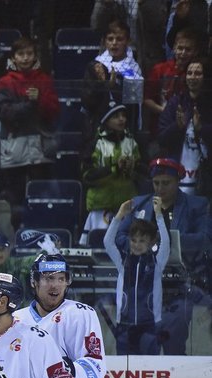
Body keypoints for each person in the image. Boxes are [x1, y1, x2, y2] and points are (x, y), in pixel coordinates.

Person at [116, 157, 212, 354]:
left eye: (166, 183)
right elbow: (120, 236)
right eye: (156, 183)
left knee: (173, 332)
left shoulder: (197, 205)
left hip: (182, 282)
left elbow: (204, 239)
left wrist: (167, 241)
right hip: (142, 282)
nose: (160, 188)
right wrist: (140, 245)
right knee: (134, 338)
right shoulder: (139, 204)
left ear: (178, 181)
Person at [0, 36, 59, 217]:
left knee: (42, 200)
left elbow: (54, 111)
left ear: (35, 56)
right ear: (13, 57)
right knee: (16, 201)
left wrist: (40, 99)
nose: (25, 58)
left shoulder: (44, 79)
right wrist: (30, 104)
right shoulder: (4, 82)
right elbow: (5, 113)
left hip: (40, 150)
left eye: (29, 53)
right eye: (21, 54)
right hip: (14, 150)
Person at [103, 198, 171, 355]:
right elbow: (108, 242)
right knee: (126, 372)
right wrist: (120, 215)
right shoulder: (122, 263)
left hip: (150, 325)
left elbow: (166, 243)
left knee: (150, 369)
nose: (137, 244)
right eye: (133, 240)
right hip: (125, 326)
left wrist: (159, 215)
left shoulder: (157, 263)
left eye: (142, 240)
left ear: (151, 241)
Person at [81, 100, 142, 238]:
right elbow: (87, 175)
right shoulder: (95, 143)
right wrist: (114, 168)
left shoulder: (132, 142)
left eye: (123, 115)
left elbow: (145, 173)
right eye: (116, 116)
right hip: (100, 209)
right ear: (106, 120)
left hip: (127, 207)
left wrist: (133, 168)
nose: (122, 119)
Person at [158, 58, 212, 196]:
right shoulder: (176, 103)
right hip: (178, 171)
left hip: (205, 175)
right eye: (189, 73)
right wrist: (177, 126)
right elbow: (162, 138)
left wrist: (202, 129)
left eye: (198, 73)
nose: (193, 77)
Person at [81, 19, 143, 135]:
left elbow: (134, 108)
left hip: (125, 132)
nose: (114, 43)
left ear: (128, 41)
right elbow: (87, 102)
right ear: (104, 42)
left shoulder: (133, 69)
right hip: (99, 131)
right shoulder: (95, 67)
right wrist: (104, 85)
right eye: (110, 39)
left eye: (119, 39)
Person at [143, 27, 200, 138]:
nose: (183, 53)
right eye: (180, 48)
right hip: (159, 128)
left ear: (195, 51)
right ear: (174, 48)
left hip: (188, 130)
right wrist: (165, 111)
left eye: (188, 49)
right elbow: (146, 99)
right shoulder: (159, 69)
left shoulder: (196, 73)